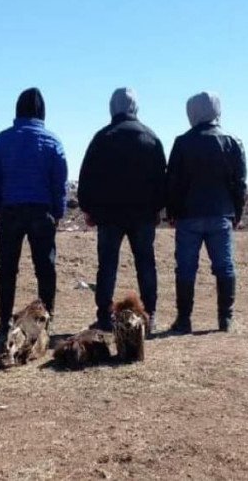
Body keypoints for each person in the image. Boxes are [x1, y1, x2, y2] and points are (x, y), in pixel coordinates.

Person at [78, 88, 166, 333]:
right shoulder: (150, 137)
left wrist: (88, 208)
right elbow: (162, 178)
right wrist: (158, 208)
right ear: (135, 107)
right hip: (143, 214)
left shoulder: (102, 138)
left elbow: (87, 177)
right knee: (146, 264)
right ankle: (149, 315)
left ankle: (105, 317)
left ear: (112, 107)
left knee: (107, 266)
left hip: (109, 215)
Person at [0, 88, 68, 336]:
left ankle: (4, 321)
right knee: (45, 268)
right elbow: (59, 181)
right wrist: (58, 211)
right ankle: (46, 320)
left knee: (7, 268)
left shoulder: (1, 140)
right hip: (41, 211)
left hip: (10, 210)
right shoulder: (52, 141)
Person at [166, 92, 247, 334]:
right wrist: (237, 213)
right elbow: (239, 182)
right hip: (221, 212)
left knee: (186, 268)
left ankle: (184, 320)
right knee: (224, 266)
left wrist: (172, 211)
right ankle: (226, 319)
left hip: (188, 214)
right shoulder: (232, 141)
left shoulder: (182, 142)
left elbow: (173, 181)